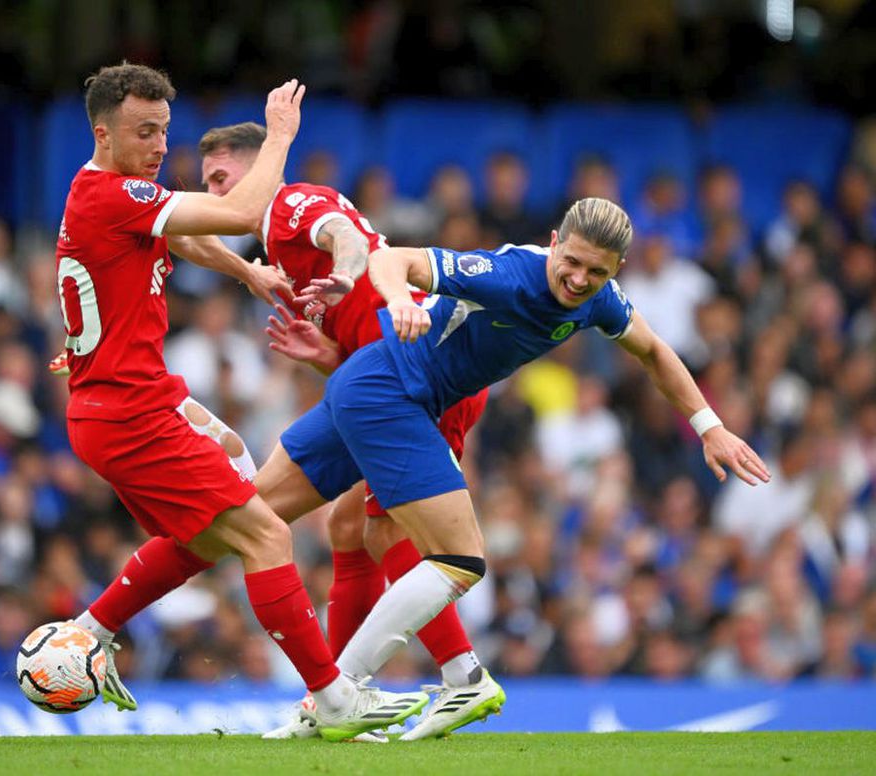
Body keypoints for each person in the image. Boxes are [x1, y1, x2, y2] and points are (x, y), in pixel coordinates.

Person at [248, 196, 770, 738]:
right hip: (396, 388)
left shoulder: (601, 300)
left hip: (394, 388)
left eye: (596, 272)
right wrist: (399, 299)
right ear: (554, 242)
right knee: (440, 553)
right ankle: (353, 693)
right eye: (572, 262)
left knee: (265, 516)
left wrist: (710, 427)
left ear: (616, 270)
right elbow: (390, 258)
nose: (579, 279)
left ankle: (379, 690)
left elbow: (654, 351)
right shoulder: (508, 274)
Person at [54, 62, 427, 742]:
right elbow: (238, 213)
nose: (159, 146)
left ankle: (89, 632)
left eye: (163, 131)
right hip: (128, 410)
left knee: (214, 524)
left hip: (130, 401)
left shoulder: (108, 193)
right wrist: (279, 136)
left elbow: (183, 234)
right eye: (143, 132)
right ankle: (334, 699)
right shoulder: (110, 194)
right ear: (102, 133)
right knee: (266, 533)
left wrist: (245, 270)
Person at [196, 121, 491, 740]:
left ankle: (458, 676)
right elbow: (363, 328)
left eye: (222, 178)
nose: (215, 194)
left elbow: (346, 239)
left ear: (260, 169)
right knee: (348, 527)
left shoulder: (292, 204)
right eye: (208, 184)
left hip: (416, 375)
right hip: (385, 374)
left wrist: (350, 272)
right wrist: (327, 354)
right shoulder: (276, 246)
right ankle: (337, 703)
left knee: (383, 532)